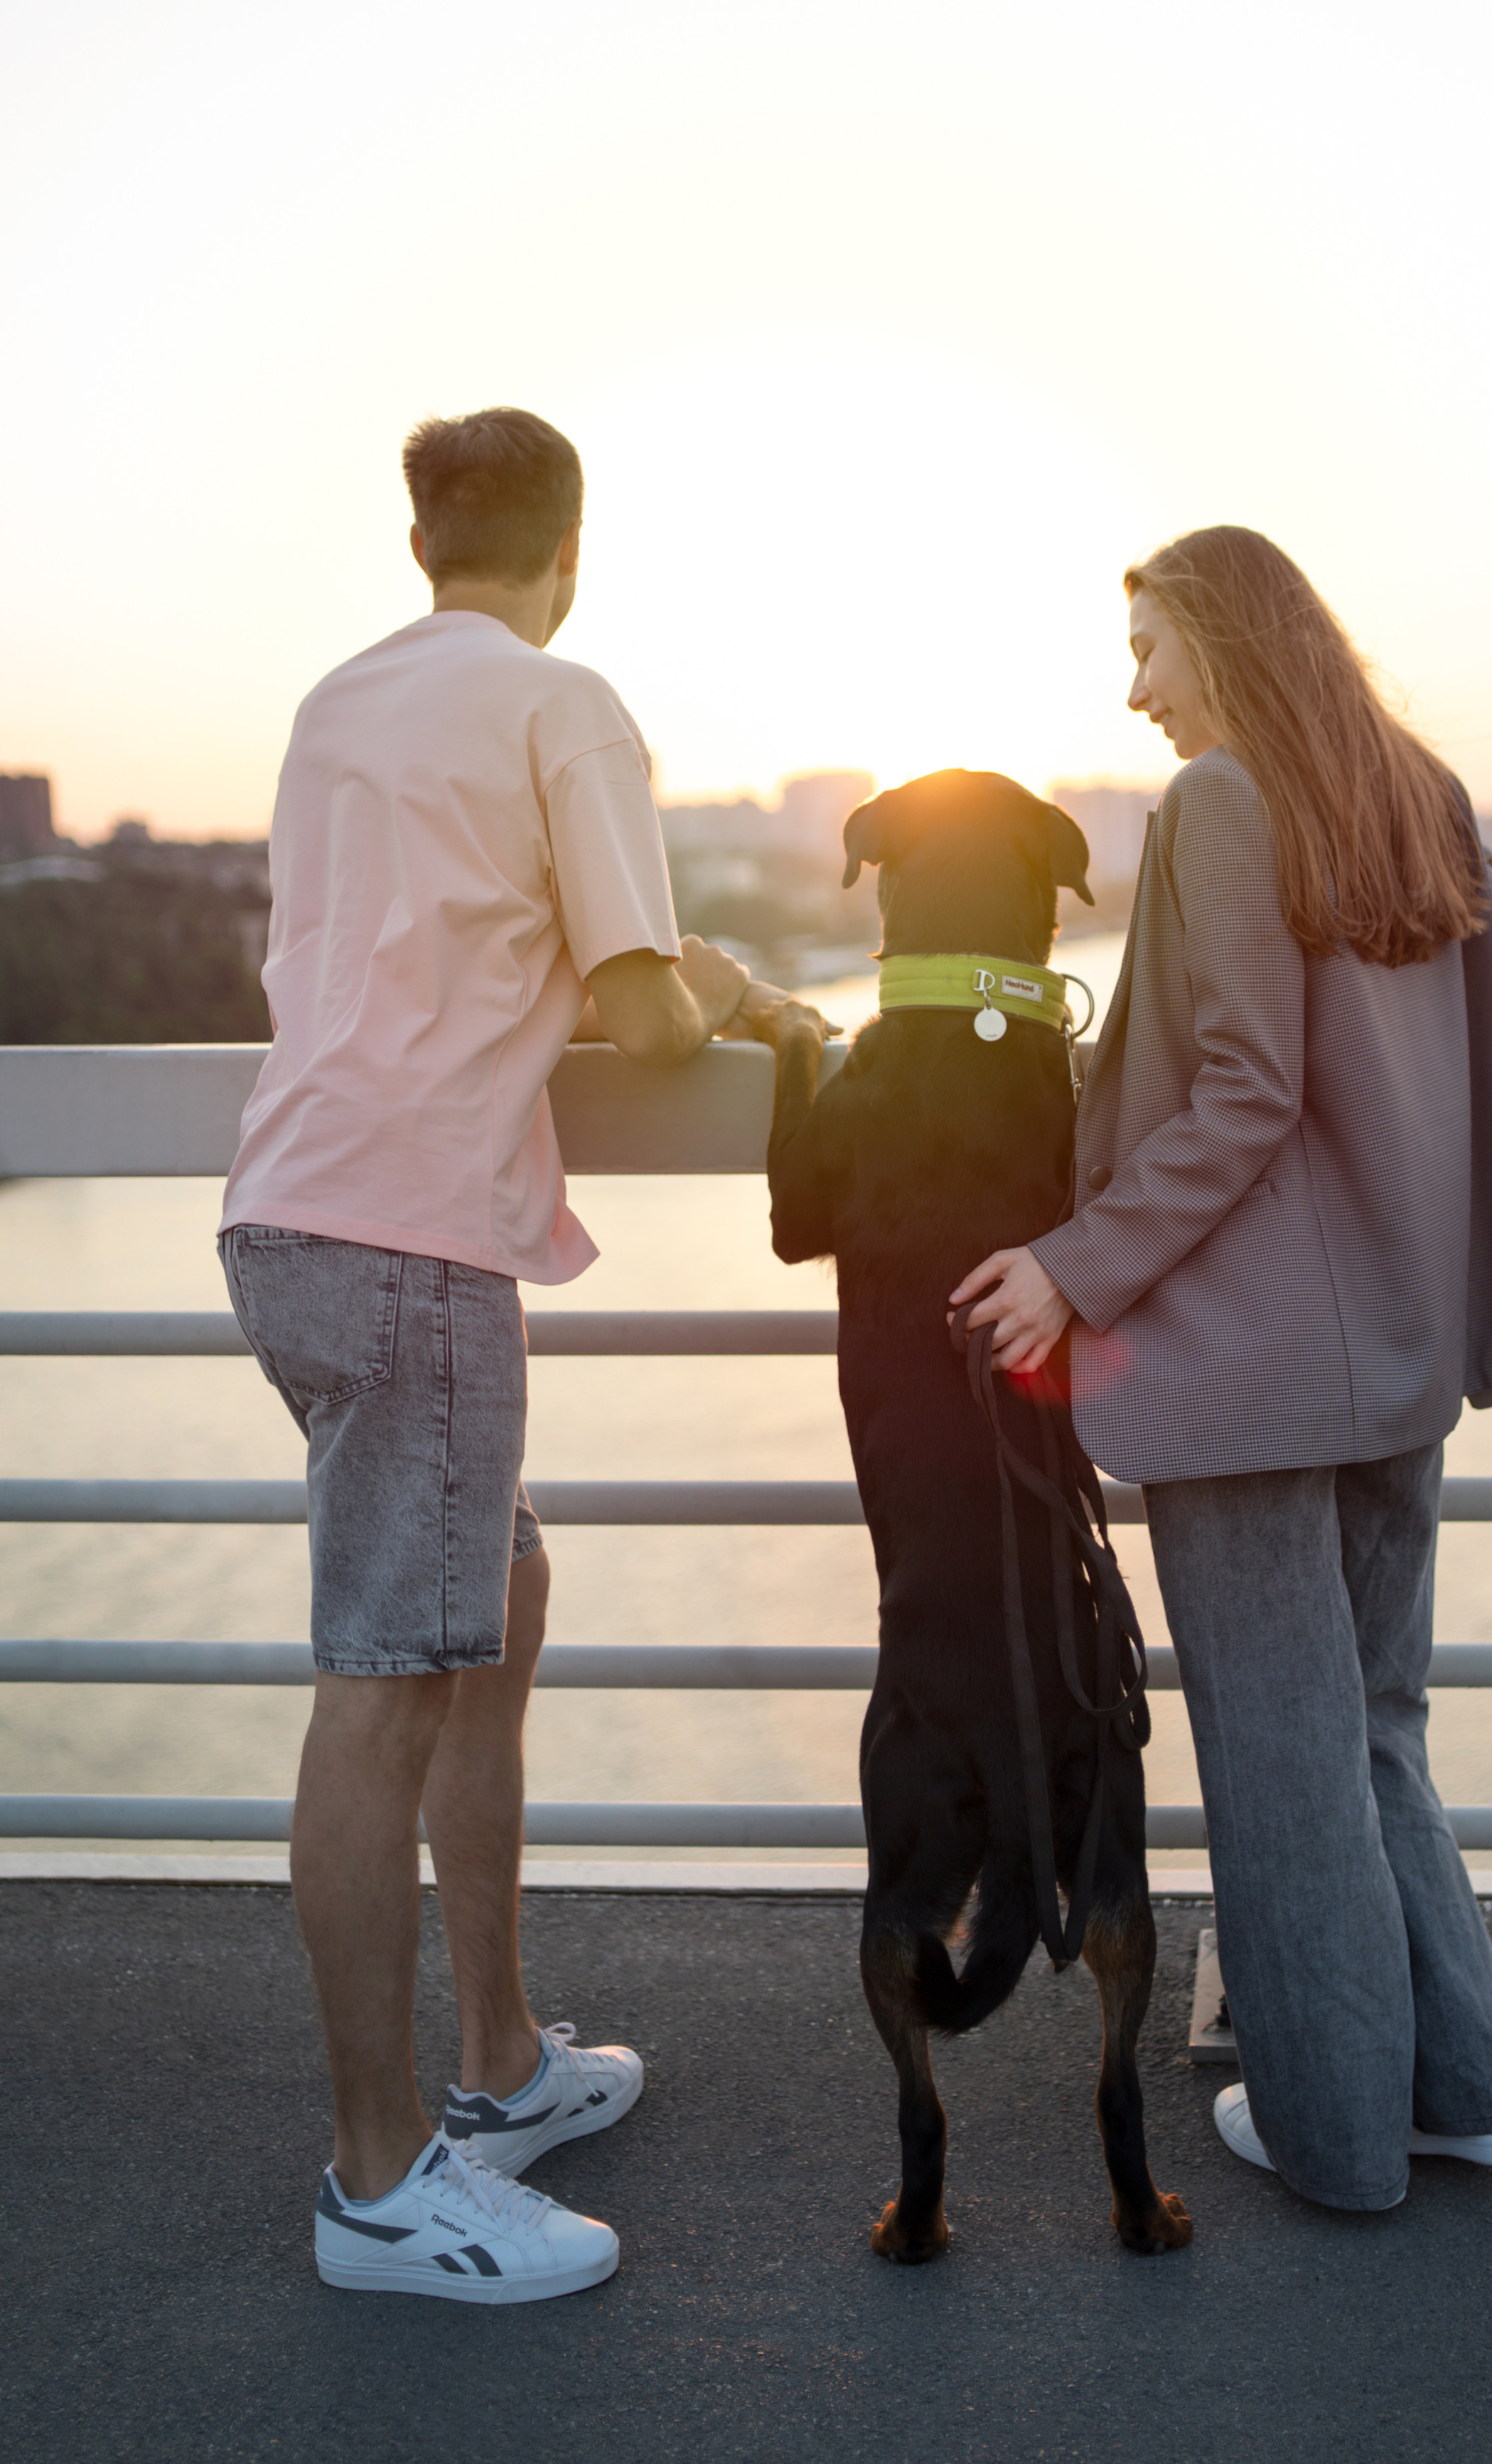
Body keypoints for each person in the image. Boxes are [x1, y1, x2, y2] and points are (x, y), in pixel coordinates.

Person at [219, 406, 808, 2300]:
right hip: (410, 1242)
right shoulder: (564, 704)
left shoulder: (337, 704)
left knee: (501, 1597)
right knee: (387, 1687)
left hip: (286, 1217)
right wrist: (731, 985)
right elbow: (641, 1017)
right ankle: (385, 2185)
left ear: (420, 547)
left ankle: (499, 2064)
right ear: (572, 547)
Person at [950, 525, 1492, 2214]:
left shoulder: (1223, 801)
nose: (1134, 687)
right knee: (1376, 1730)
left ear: (1222, 642)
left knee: (1277, 1750)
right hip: (1398, 1342)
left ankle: (1330, 2138)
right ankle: (1469, 2091)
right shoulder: (1415, 787)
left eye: (1150, 647)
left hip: (1251, 1360)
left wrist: (1066, 1266)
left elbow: (1241, 1090)